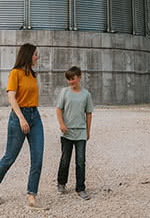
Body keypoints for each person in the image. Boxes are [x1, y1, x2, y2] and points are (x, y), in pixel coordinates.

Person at [0, 43, 45, 210]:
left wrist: (29, 117)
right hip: (18, 117)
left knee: (38, 157)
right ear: (28, 55)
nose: (37, 57)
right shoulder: (15, 73)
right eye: (36, 54)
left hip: (34, 116)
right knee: (10, 156)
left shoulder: (33, 75)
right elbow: (11, 98)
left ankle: (31, 196)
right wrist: (22, 119)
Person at [55, 66, 94, 200]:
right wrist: (61, 124)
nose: (71, 81)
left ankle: (81, 188)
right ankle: (61, 183)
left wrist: (88, 131)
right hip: (66, 132)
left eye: (73, 79)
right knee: (65, 159)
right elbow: (59, 109)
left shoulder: (86, 94)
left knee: (80, 161)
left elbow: (89, 114)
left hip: (81, 133)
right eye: (68, 79)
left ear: (79, 77)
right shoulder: (64, 92)